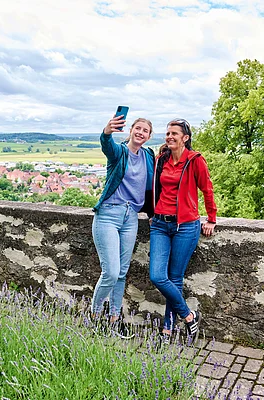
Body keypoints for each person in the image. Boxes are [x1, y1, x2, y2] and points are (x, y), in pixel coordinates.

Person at [149, 118, 217, 345]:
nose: (169, 136)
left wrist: (211, 219)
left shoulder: (195, 160)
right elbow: (153, 188)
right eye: (167, 133)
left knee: (175, 277)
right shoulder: (161, 159)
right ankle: (189, 316)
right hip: (159, 224)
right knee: (158, 276)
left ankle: (167, 329)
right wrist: (152, 213)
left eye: (174, 133)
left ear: (185, 138)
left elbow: (207, 189)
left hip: (186, 226)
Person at [91, 114, 154, 338]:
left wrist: (152, 213)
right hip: (109, 214)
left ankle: (114, 319)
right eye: (137, 128)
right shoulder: (119, 152)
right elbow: (106, 145)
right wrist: (107, 131)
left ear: (149, 136)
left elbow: (151, 187)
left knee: (122, 273)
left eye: (145, 130)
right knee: (111, 271)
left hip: (131, 218)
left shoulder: (148, 156)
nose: (140, 133)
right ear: (131, 131)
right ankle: (95, 316)